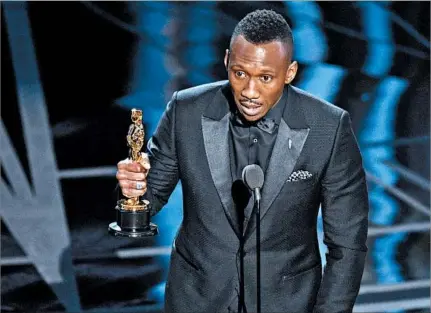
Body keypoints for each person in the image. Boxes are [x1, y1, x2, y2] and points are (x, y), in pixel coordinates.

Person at [116, 9, 369, 313]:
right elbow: (148, 201)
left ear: (289, 72)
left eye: (265, 78)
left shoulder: (328, 127)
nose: (250, 92)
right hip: (198, 301)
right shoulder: (186, 111)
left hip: (287, 304)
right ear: (226, 61)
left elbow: (348, 246)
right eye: (240, 74)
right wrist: (133, 192)